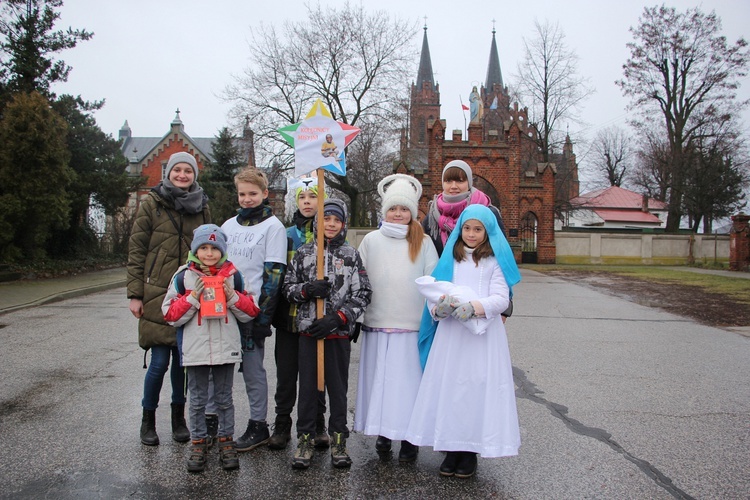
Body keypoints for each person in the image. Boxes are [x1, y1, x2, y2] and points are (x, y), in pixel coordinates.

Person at [406, 204, 522, 478]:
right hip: (451, 334)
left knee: (475, 389)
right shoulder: (450, 260)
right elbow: (435, 293)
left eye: (478, 229)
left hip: (482, 338)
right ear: (460, 230)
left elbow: (501, 298)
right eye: (467, 228)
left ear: (487, 231)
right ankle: (450, 448)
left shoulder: (494, 261)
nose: (471, 234)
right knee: (451, 387)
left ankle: (469, 452)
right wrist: (438, 309)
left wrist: (475, 307)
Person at [127, 151, 210, 446]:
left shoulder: (202, 206)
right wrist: (135, 293)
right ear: (169, 173)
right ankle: (147, 419)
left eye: (188, 171)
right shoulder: (152, 203)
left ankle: (179, 418)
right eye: (178, 170)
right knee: (159, 362)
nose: (182, 175)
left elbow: (211, 248)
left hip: (189, 292)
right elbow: (137, 250)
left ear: (194, 175)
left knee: (182, 364)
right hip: (155, 292)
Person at [354, 174, 438, 462]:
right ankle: (383, 432)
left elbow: (432, 280)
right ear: (384, 211)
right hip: (377, 322)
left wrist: (433, 314)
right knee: (381, 383)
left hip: (410, 325)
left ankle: (409, 437)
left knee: (406, 386)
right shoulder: (371, 240)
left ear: (412, 212)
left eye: (403, 209)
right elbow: (358, 279)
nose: (398, 214)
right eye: (393, 208)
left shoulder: (423, 241)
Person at [162, 224, 260, 472]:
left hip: (226, 349)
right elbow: (171, 315)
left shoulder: (234, 276)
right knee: (196, 400)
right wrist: (192, 297)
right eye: (203, 248)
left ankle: (226, 441)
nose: (209, 253)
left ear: (222, 251)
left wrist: (232, 297)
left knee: (224, 399)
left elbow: (251, 312)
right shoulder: (183, 276)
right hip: (196, 351)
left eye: (214, 248)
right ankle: (199, 441)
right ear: (195, 250)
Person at [283, 198, 372, 469]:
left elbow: (363, 293)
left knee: (338, 388)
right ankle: (306, 438)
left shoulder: (350, 254)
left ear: (343, 224)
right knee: (309, 389)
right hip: (310, 333)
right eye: (326, 219)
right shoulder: (304, 253)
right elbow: (287, 288)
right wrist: (307, 291)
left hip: (337, 334)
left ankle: (339, 439)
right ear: (317, 222)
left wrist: (338, 318)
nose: (331, 224)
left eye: (336, 220)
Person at [221, 167, 287, 452]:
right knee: (218, 368)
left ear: (264, 194)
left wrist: (263, 315)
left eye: (252, 194)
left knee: (252, 370)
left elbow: (274, 274)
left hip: (251, 310)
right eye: (242, 194)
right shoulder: (227, 226)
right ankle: (215, 422)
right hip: (222, 310)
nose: (247, 199)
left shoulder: (273, 227)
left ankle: (258, 424)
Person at [268, 178, 329, 450]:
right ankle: (282, 422)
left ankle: (318, 422)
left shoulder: (328, 234)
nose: (307, 202)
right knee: (287, 373)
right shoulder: (286, 234)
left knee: (316, 373)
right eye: (302, 197)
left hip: (316, 320)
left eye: (313, 197)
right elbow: (276, 275)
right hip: (288, 317)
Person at [422, 159, 513, 320]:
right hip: (446, 298)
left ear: (469, 182)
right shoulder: (432, 218)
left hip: (481, 297)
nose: (454, 186)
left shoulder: (487, 211)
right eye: (448, 180)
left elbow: (503, 257)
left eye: (460, 180)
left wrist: (504, 308)